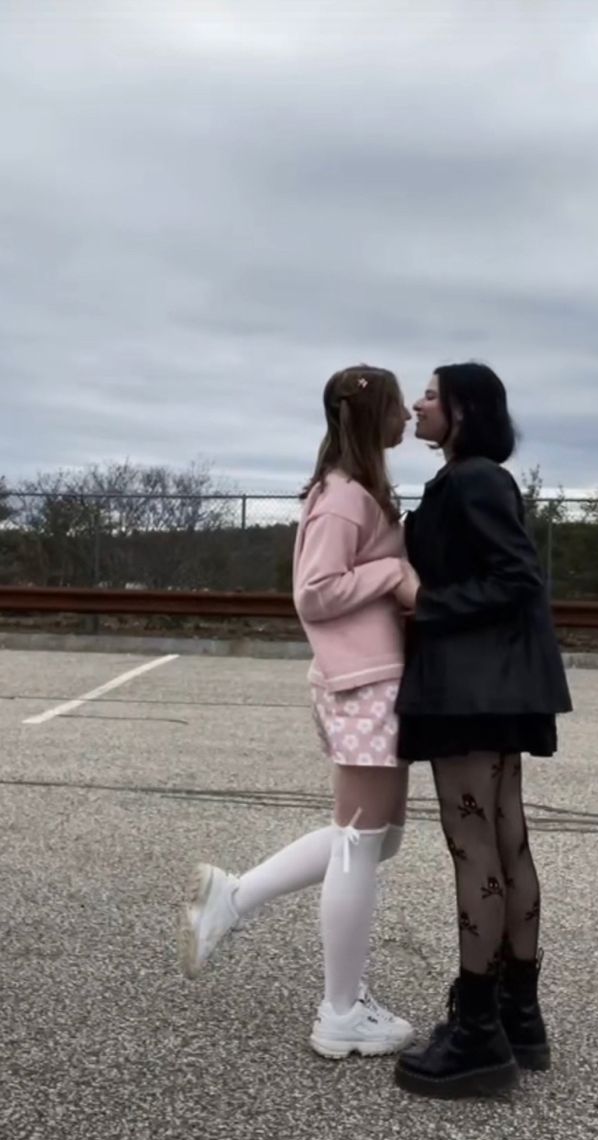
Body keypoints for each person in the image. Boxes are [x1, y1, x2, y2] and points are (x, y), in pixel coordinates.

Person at [178, 365, 420, 1060]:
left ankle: (234, 897)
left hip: (371, 678)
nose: (407, 416)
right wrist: (395, 575)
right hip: (363, 681)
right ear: (376, 415)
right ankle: (340, 1011)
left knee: (378, 839)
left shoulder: (354, 491)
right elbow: (315, 592)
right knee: (357, 844)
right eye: (399, 406)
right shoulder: (344, 498)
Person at [392, 362, 573, 1099]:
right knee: (504, 842)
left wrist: (425, 603)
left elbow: (518, 577)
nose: (418, 405)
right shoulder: (471, 478)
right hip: (490, 684)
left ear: (464, 410)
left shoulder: (473, 480)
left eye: (431, 395)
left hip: (470, 688)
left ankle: (477, 1032)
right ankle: (515, 1014)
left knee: (478, 849)